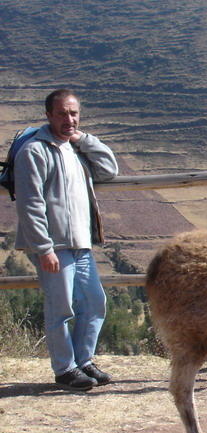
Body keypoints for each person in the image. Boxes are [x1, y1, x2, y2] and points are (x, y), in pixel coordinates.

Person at [14, 89, 118, 391]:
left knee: (95, 303)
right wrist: (43, 249)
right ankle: (65, 368)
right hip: (53, 246)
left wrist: (83, 139)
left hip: (80, 244)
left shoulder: (75, 149)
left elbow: (110, 169)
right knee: (60, 309)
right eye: (61, 113)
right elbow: (30, 204)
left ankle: (84, 361)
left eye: (73, 113)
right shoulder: (34, 152)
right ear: (48, 115)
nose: (68, 119)